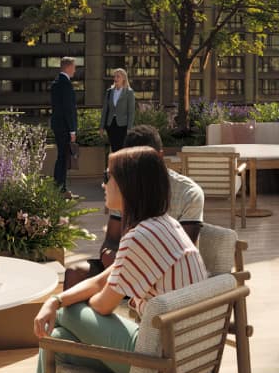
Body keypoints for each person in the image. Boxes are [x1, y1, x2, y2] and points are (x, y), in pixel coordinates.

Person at [4, 146, 208, 373]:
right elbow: (109, 276)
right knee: (58, 343)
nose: (103, 185)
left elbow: (101, 304)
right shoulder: (164, 225)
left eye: (108, 178)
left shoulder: (140, 237)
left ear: (129, 186)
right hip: (184, 360)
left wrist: (57, 304)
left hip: (157, 368)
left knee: (67, 322)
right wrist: (57, 300)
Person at [62, 124, 206, 289]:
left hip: (161, 278)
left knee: (76, 299)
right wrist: (114, 263)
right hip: (126, 267)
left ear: (159, 157)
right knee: (74, 273)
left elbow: (178, 253)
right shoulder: (124, 189)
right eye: (130, 163)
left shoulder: (188, 193)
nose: (105, 184)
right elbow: (111, 241)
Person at [50, 56, 78, 193]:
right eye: (74, 66)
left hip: (57, 125)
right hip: (65, 127)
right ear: (68, 67)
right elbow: (69, 109)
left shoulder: (55, 83)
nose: (75, 70)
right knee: (63, 157)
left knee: (61, 155)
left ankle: (58, 185)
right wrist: (73, 130)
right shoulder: (65, 84)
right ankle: (61, 187)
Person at [99, 68, 136, 156]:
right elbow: (105, 110)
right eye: (114, 76)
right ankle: (116, 167)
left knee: (122, 148)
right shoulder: (109, 92)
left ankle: (121, 167)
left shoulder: (129, 92)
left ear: (123, 78)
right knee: (114, 148)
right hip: (111, 124)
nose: (115, 78)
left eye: (118, 76)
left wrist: (129, 128)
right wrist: (101, 127)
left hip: (123, 125)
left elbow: (131, 112)